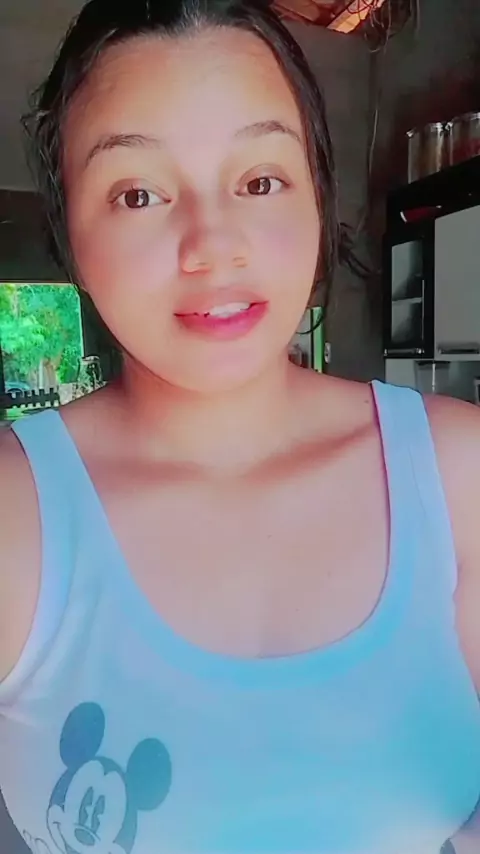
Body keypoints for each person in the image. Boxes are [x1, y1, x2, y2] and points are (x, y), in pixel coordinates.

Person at [0, 1, 480, 852]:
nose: (212, 246)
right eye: (138, 194)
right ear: (71, 232)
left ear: (318, 197)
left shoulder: (458, 472)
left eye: (260, 181)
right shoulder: (17, 513)